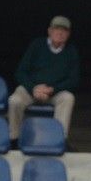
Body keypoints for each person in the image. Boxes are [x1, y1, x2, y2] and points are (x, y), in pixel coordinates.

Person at [8, 16, 80, 150]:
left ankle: (59, 139)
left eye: (64, 30)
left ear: (68, 34)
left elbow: (74, 79)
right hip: (32, 89)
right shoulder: (37, 45)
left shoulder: (71, 51)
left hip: (53, 92)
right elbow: (20, 72)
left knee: (68, 98)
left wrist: (52, 89)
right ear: (49, 31)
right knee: (14, 100)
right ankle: (14, 139)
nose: (60, 33)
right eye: (57, 29)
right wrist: (33, 88)